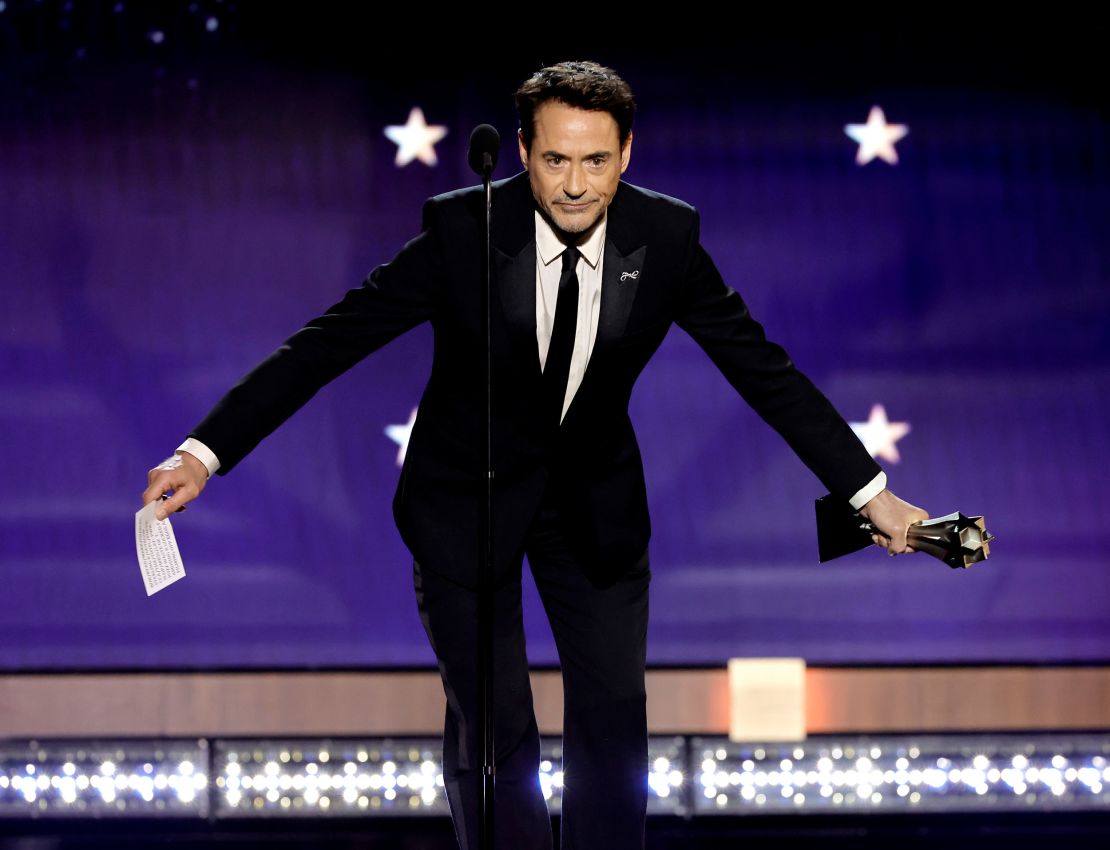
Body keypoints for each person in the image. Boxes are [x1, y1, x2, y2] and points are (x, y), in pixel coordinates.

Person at [143, 60, 928, 850]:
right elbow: (329, 343)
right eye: (556, 160)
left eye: (595, 161)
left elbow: (764, 371)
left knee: (615, 720)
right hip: (465, 500)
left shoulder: (667, 238)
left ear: (627, 155)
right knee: (494, 729)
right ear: (523, 152)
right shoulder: (465, 231)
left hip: (594, 506)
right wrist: (205, 453)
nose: (576, 184)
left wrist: (869, 493)